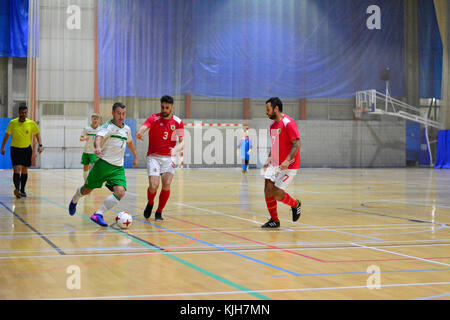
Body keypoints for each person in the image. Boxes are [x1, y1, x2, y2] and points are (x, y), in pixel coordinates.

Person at [68, 102, 138, 227]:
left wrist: (136, 156)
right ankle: (75, 199)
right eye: (118, 113)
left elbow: (130, 142)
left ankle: (98, 214)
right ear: (113, 113)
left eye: (123, 114)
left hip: (118, 168)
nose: (121, 116)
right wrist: (98, 147)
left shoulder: (126, 129)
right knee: (86, 190)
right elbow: (98, 139)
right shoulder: (107, 126)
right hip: (103, 165)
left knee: (121, 192)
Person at [135, 95, 184, 221]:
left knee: (166, 183)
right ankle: (150, 203)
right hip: (154, 156)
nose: (164, 110)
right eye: (162, 107)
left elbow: (182, 142)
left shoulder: (178, 122)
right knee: (153, 185)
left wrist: (176, 149)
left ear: (172, 107)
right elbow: (145, 126)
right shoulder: (154, 117)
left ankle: (159, 212)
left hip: (169, 158)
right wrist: (140, 132)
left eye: (167, 107)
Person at [262, 97, 302, 228]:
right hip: (275, 162)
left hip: (290, 165)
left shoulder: (288, 123)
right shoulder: (273, 126)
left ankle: (296, 204)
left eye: (268, 109)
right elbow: (275, 145)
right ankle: (274, 220)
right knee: (268, 189)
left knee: (277, 194)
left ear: (276, 108)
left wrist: (287, 160)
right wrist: (269, 158)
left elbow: (297, 144)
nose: (266, 112)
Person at [0, 105, 43, 198]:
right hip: (15, 149)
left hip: (26, 149)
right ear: (18, 113)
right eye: (22, 113)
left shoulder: (31, 123)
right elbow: (7, 135)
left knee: (24, 170)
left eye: (25, 113)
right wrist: (2, 147)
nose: (24, 114)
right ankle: (17, 189)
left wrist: (40, 145)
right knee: (17, 168)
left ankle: (22, 190)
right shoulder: (12, 123)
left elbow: (37, 134)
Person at [80, 114, 101, 181]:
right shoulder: (87, 128)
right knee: (85, 166)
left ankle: (91, 181)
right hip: (86, 151)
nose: (95, 120)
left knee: (91, 166)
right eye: (94, 119)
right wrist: (84, 138)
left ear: (99, 121)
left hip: (94, 151)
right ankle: (86, 181)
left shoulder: (101, 129)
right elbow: (81, 138)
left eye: (97, 119)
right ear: (91, 120)